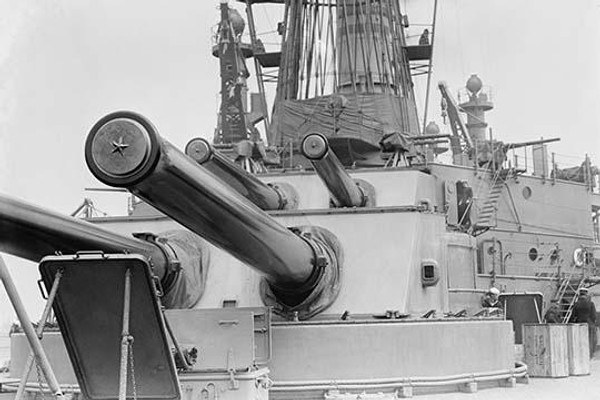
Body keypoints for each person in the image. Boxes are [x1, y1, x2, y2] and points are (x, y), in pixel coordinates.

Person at [569, 288, 597, 358]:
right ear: (586, 294)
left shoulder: (576, 304)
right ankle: (589, 355)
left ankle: (581, 355)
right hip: (589, 325)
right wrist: (592, 323)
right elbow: (594, 316)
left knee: (580, 341)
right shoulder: (591, 303)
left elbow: (573, 316)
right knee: (590, 340)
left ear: (580, 294)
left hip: (579, 324)